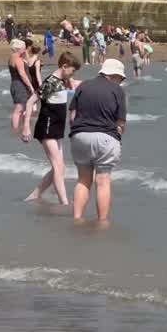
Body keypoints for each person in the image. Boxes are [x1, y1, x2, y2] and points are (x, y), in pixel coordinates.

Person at [69, 58, 128, 223]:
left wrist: (77, 132)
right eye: (120, 78)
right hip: (106, 138)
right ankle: (102, 222)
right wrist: (119, 135)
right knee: (102, 182)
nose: (120, 82)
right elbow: (120, 122)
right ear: (114, 75)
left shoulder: (83, 86)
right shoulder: (117, 90)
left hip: (80, 136)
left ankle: (77, 218)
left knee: (83, 180)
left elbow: (72, 116)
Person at [25, 53, 81, 205]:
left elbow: (73, 84)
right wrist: (26, 127)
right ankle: (64, 202)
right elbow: (30, 102)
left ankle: (35, 195)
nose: (73, 74)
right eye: (72, 71)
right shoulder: (50, 82)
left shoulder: (62, 80)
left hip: (57, 128)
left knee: (60, 167)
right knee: (58, 166)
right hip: (46, 127)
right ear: (64, 66)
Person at [7, 39, 34, 141]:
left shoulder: (12, 57)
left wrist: (25, 53)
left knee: (20, 109)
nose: (25, 48)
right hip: (19, 86)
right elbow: (22, 74)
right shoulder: (18, 59)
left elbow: (28, 62)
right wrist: (30, 86)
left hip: (15, 84)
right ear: (19, 48)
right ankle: (15, 130)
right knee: (18, 109)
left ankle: (17, 129)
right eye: (24, 47)